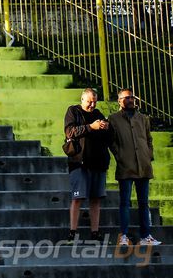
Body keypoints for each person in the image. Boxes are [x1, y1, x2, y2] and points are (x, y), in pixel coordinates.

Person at [109, 89, 161, 247]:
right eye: (127, 98)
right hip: (126, 166)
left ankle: (146, 236)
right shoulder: (113, 119)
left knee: (143, 203)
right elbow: (112, 142)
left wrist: (148, 155)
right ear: (119, 101)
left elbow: (149, 139)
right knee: (124, 202)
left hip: (144, 166)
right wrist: (120, 156)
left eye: (132, 97)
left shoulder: (143, 118)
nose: (130, 100)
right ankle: (123, 236)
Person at [63, 88, 111, 243]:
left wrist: (105, 128)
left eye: (95, 101)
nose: (92, 105)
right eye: (89, 101)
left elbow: (107, 137)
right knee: (77, 198)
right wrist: (91, 127)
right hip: (79, 162)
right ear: (82, 99)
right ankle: (72, 233)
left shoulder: (98, 114)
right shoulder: (73, 111)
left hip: (98, 162)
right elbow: (70, 132)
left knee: (96, 199)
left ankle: (95, 233)